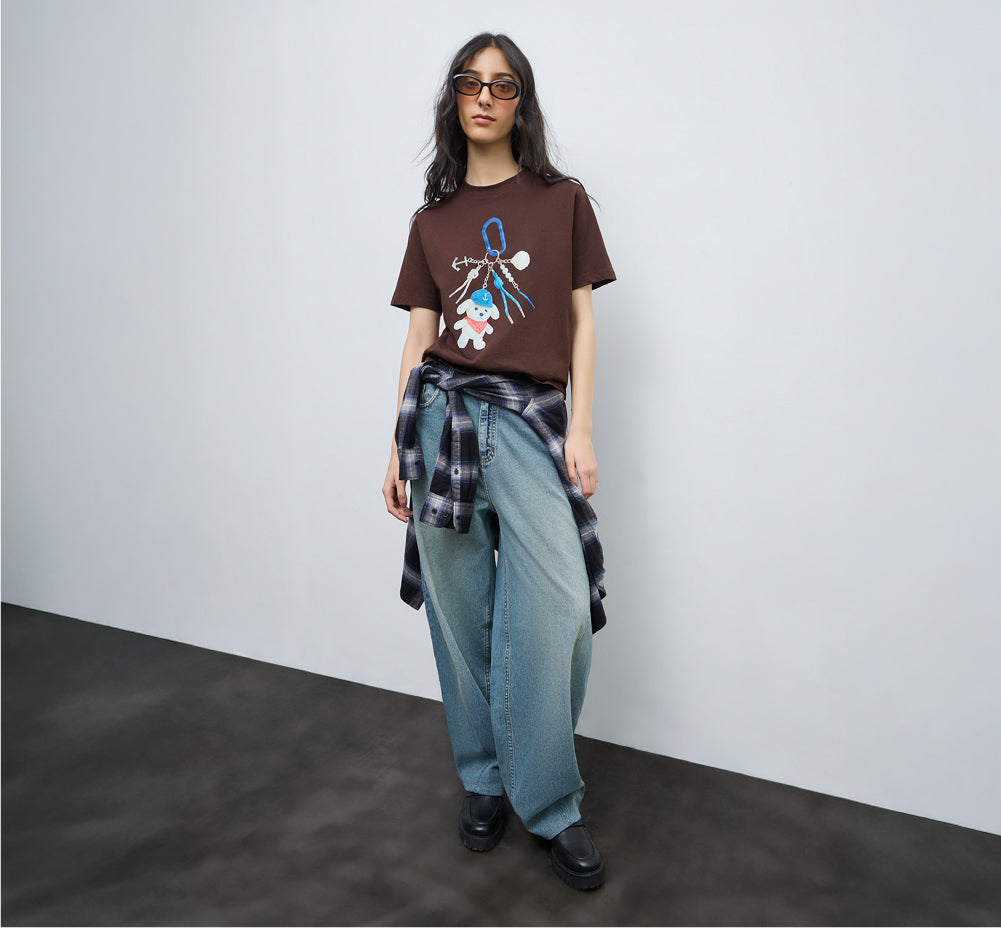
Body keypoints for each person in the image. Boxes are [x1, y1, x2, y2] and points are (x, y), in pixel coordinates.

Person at [382, 32, 615, 891]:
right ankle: (483, 778)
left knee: (555, 613)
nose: (484, 96)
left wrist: (579, 429)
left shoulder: (562, 201)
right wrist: (396, 446)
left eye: (503, 84)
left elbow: (581, 322)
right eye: (469, 82)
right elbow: (418, 339)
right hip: (439, 419)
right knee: (460, 614)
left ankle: (548, 802)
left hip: (528, 423)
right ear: (453, 98)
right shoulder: (431, 220)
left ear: (522, 102)